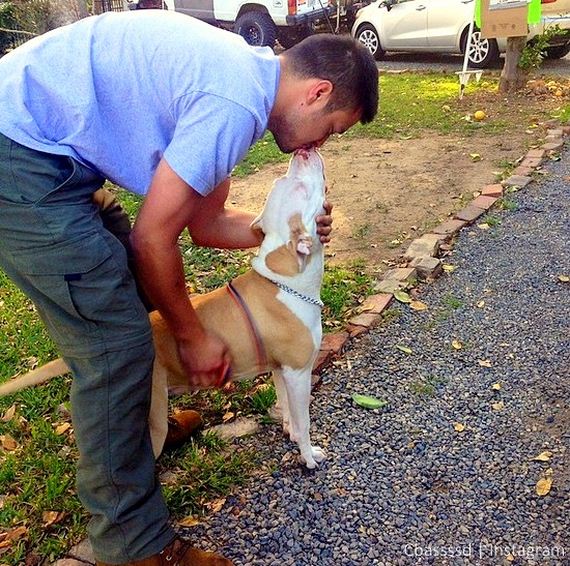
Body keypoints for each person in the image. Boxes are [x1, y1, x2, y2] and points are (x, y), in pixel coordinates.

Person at [0, 9, 379, 566]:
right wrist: (192, 336)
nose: (322, 142)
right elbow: (154, 239)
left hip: (49, 150)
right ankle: (134, 545)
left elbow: (203, 226)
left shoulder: (244, 84)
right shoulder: (234, 104)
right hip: (20, 154)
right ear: (317, 93)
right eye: (332, 128)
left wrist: (285, 229)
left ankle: (145, 415)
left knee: (127, 295)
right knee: (117, 345)